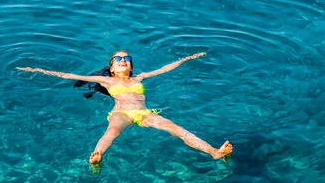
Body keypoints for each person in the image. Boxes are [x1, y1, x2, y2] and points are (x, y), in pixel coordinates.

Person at [17, 51, 233, 165]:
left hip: (145, 114)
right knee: (111, 132)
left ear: (131, 65)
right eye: (117, 59)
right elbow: (70, 76)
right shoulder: (109, 82)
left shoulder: (140, 77)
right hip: (121, 113)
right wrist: (36, 69)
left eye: (126, 58)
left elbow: (164, 69)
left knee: (177, 129)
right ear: (111, 68)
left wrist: (187, 58)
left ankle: (213, 152)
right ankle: (97, 154)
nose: (122, 60)